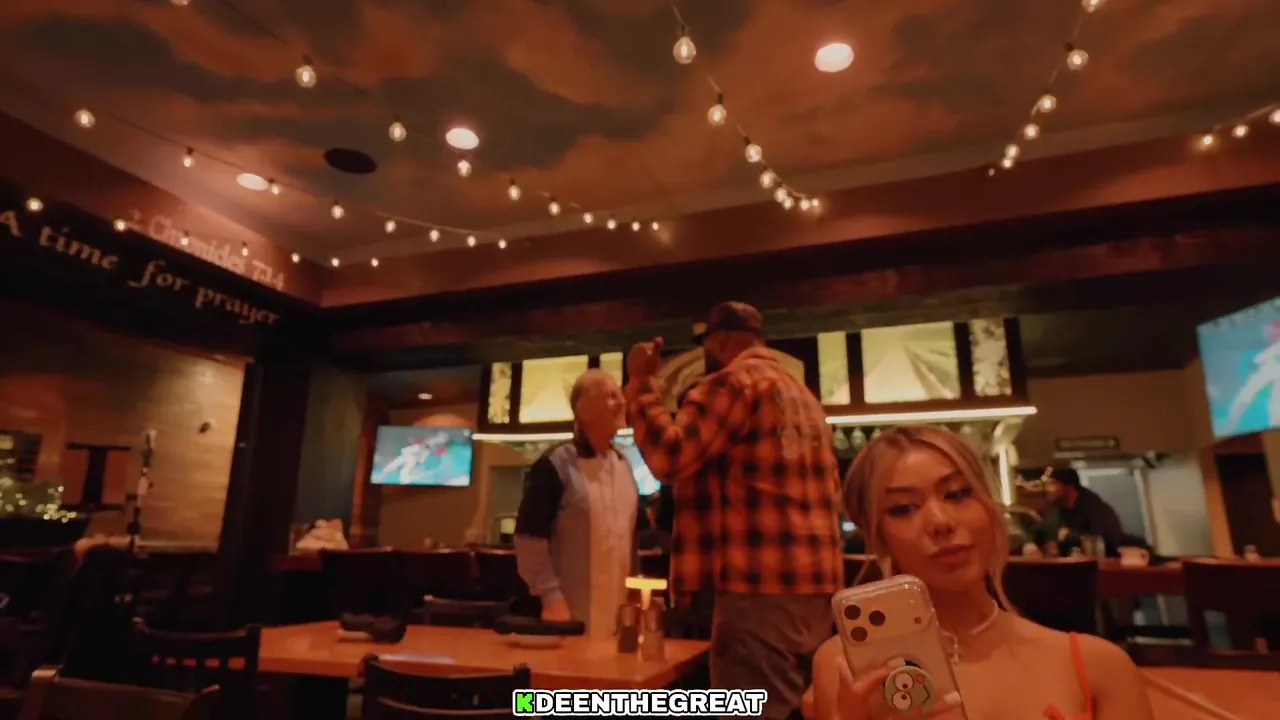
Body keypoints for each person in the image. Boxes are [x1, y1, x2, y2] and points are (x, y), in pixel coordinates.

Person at [804, 425, 1153, 720]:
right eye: (903, 508)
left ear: (989, 506)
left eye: (957, 494)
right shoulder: (845, 668)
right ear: (875, 534)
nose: (940, 522)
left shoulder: (1098, 668)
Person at [625, 301, 844, 719]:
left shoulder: (733, 383)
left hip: (757, 590)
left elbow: (670, 456)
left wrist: (640, 385)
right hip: (816, 593)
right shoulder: (805, 398)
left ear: (720, 340)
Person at [513, 369, 640, 637]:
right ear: (583, 409)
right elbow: (528, 539)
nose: (621, 402)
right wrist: (550, 597)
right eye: (610, 395)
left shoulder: (624, 467)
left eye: (620, 395)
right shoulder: (555, 464)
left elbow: (630, 543)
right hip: (567, 619)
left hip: (618, 621)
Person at [1031, 467, 1128, 558]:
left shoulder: (1096, 509)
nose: (1047, 489)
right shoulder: (1057, 510)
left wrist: (1070, 536)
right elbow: (1042, 532)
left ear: (1068, 487)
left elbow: (1103, 541)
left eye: (1052, 484)